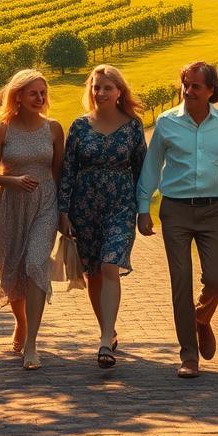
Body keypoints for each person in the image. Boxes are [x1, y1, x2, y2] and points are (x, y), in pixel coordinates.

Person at [136, 62, 218, 378]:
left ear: (212, 90)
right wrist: (143, 207)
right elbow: (152, 167)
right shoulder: (167, 122)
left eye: (196, 86)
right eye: (185, 84)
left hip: (212, 210)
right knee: (180, 281)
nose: (189, 91)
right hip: (176, 211)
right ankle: (189, 356)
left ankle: (200, 318)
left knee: (216, 279)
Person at [58, 64, 146, 369]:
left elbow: (142, 170)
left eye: (108, 87)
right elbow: (67, 171)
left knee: (110, 264)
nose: (101, 93)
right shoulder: (79, 127)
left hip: (121, 204)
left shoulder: (133, 126)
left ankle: (106, 339)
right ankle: (107, 331)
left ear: (119, 91)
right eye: (96, 87)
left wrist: (143, 208)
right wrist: (63, 211)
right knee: (93, 272)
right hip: (85, 206)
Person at [0, 69, 65, 370]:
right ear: (18, 96)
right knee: (13, 269)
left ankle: (31, 343)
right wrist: (13, 180)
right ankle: (21, 322)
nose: (40, 99)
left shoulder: (54, 129)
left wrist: (64, 214)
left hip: (46, 204)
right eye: (34, 93)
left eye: (43, 93)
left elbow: (59, 174)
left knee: (34, 263)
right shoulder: (2, 129)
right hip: (10, 207)